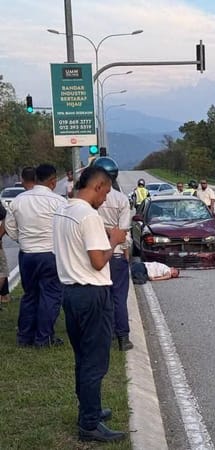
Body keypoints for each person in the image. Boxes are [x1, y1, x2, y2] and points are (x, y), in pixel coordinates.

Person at [53, 165, 128, 443]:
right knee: (95, 362)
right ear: (97, 186)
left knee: (82, 358)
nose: (106, 199)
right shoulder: (89, 216)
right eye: (106, 192)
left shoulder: (63, 210)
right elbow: (98, 261)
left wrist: (103, 233)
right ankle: (89, 423)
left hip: (70, 292)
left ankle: (89, 408)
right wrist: (114, 239)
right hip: (92, 293)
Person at [4, 164, 67, 348]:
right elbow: (65, 229)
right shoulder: (58, 202)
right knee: (51, 296)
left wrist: (22, 240)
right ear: (53, 181)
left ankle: (24, 337)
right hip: (50, 254)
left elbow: (10, 228)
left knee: (30, 295)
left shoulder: (19, 200)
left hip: (27, 255)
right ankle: (43, 338)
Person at [93, 157, 133, 352]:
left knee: (101, 298)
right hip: (116, 254)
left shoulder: (89, 199)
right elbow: (124, 231)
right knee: (119, 298)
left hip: (95, 254)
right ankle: (123, 337)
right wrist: (125, 250)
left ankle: (104, 335)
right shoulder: (121, 200)